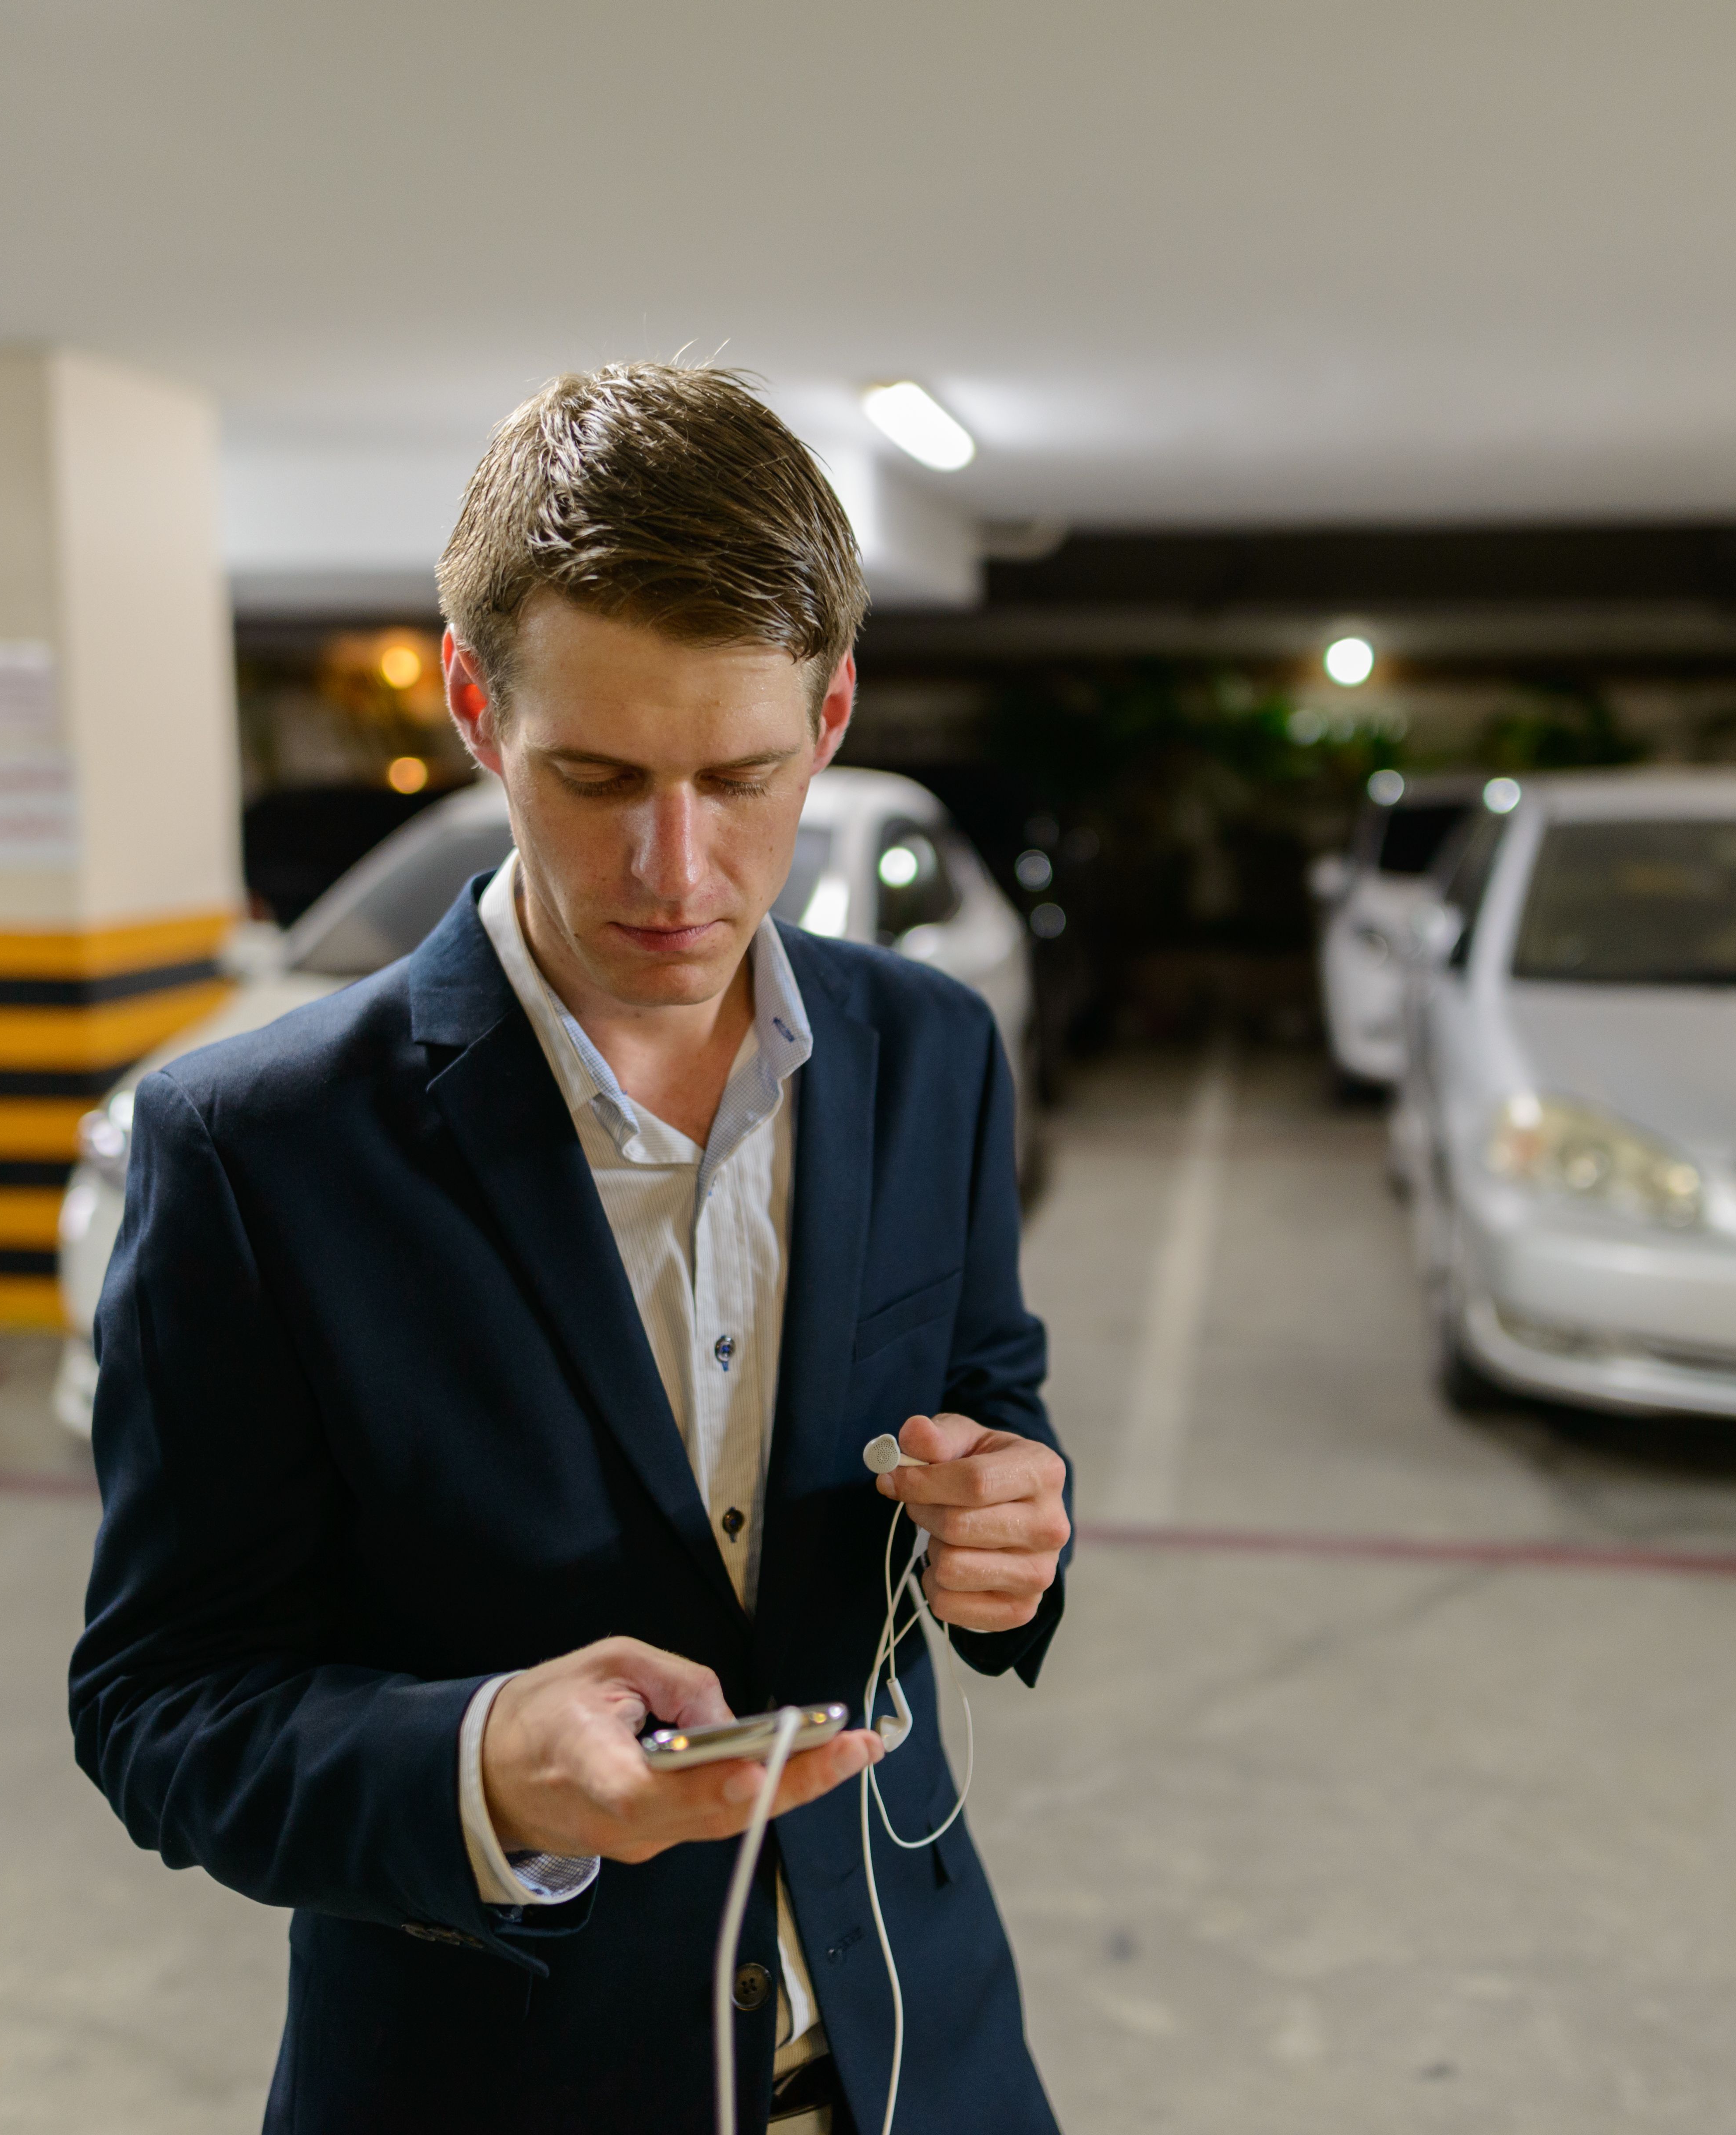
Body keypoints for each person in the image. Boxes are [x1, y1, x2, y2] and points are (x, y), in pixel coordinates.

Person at [70, 362, 1074, 2135]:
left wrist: (1011, 1521)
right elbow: (162, 1704)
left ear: (831, 714)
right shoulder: (255, 1149)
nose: (674, 867)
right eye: (597, 774)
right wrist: (477, 1769)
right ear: (475, 705)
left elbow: (988, 1392)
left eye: (744, 778)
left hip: (918, 2053)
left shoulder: (930, 1051)